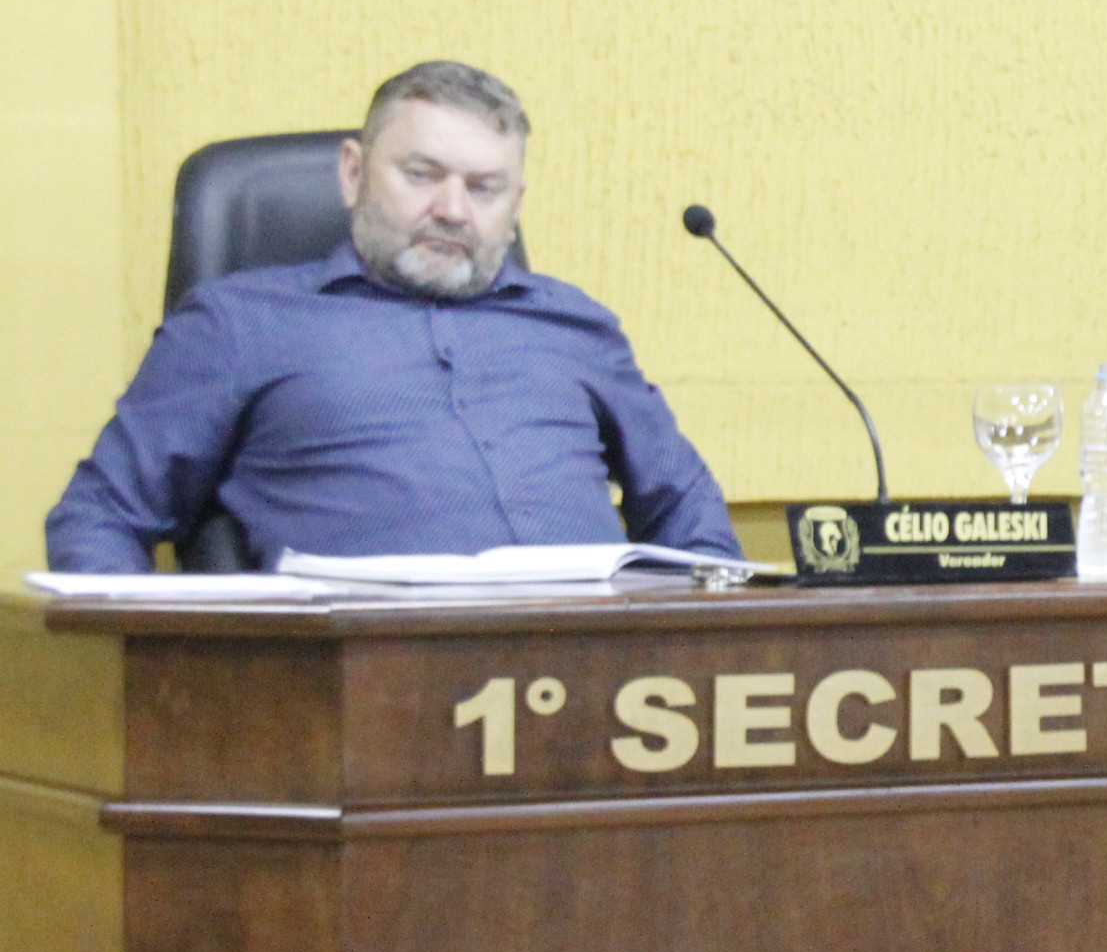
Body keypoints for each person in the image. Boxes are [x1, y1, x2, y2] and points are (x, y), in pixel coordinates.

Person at [46, 63, 740, 571]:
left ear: (516, 202)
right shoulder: (240, 323)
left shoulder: (576, 325)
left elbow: (688, 509)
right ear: (352, 173)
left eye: (484, 187)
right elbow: (101, 516)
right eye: (422, 174)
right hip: (357, 697)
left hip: (597, 682)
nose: (453, 208)